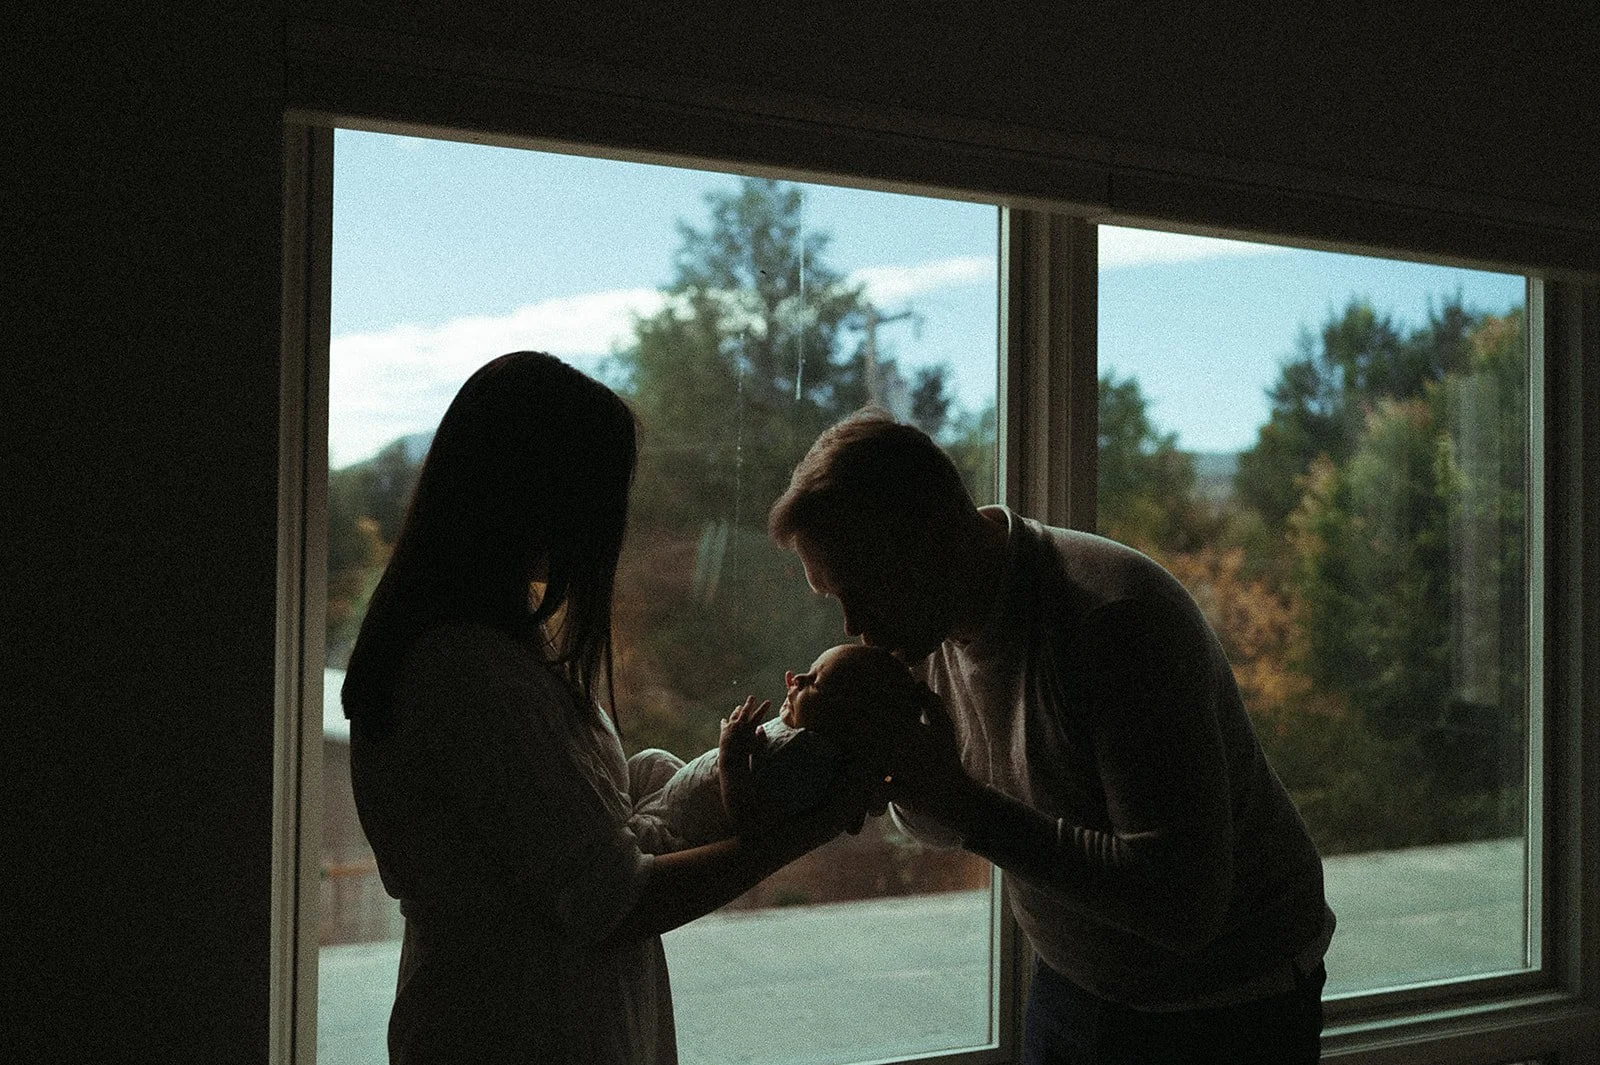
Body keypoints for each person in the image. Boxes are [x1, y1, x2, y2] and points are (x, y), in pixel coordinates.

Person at [341, 351, 867, 1065]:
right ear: (531, 490)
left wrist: (715, 780)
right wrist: (810, 827)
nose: (602, 525)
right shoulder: (466, 672)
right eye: (594, 493)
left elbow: (573, 833)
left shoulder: (491, 647)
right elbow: (614, 901)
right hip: (514, 1033)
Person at [768, 409, 1337, 1065]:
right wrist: (901, 778)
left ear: (932, 537)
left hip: (1232, 1004)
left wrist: (962, 805)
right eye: (834, 597)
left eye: (861, 588)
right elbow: (951, 817)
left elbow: (1183, 906)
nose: (852, 624)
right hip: (1075, 981)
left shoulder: (1113, 624)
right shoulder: (923, 625)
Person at [632, 643, 924, 843]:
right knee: (653, 760)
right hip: (672, 802)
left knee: (620, 835)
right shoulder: (802, 735)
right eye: (808, 670)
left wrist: (731, 757)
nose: (797, 678)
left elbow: (751, 824)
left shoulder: (808, 762)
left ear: (847, 719)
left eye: (814, 683)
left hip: (674, 834)